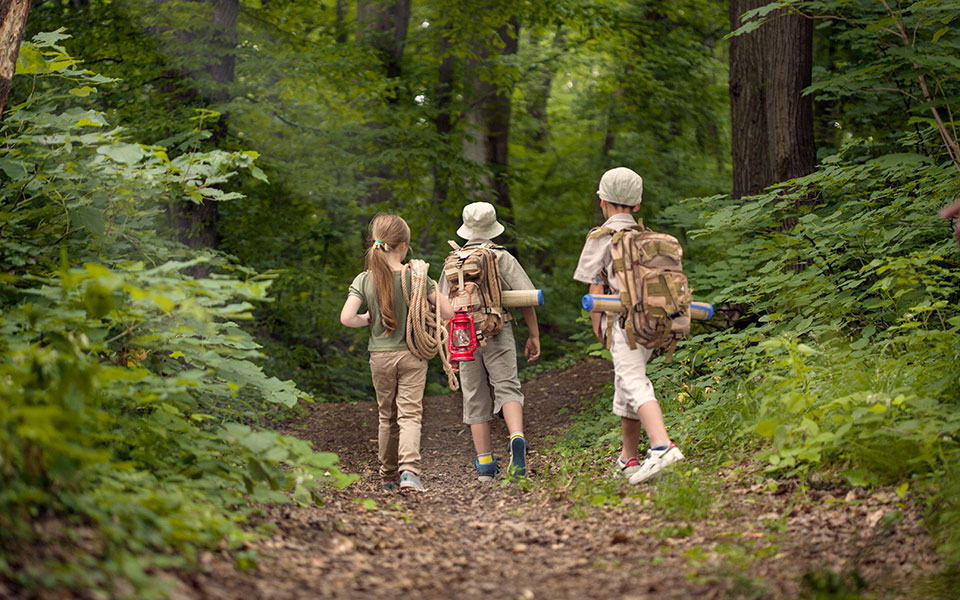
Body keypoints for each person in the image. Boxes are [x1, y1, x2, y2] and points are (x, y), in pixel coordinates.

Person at [572, 167, 684, 484]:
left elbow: (595, 286)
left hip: (623, 323)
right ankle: (628, 458)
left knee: (633, 381)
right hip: (655, 322)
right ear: (637, 205)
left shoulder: (602, 237)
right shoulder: (647, 238)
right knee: (626, 385)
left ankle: (662, 446)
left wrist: (598, 326)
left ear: (603, 202)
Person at [340, 213, 454, 492]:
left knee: (386, 416)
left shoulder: (365, 278)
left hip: (380, 356)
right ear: (403, 246)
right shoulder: (417, 277)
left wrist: (368, 319)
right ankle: (409, 473)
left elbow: (346, 318)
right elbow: (448, 312)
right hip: (412, 354)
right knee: (410, 414)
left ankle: (388, 476)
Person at [440, 202, 541, 481]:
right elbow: (527, 298)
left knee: (474, 396)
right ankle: (516, 436)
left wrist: (451, 346)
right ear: (493, 227)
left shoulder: (453, 261)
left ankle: (485, 465)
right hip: (498, 329)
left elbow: (443, 307)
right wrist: (533, 334)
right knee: (507, 387)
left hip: (463, 336)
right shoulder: (500, 256)